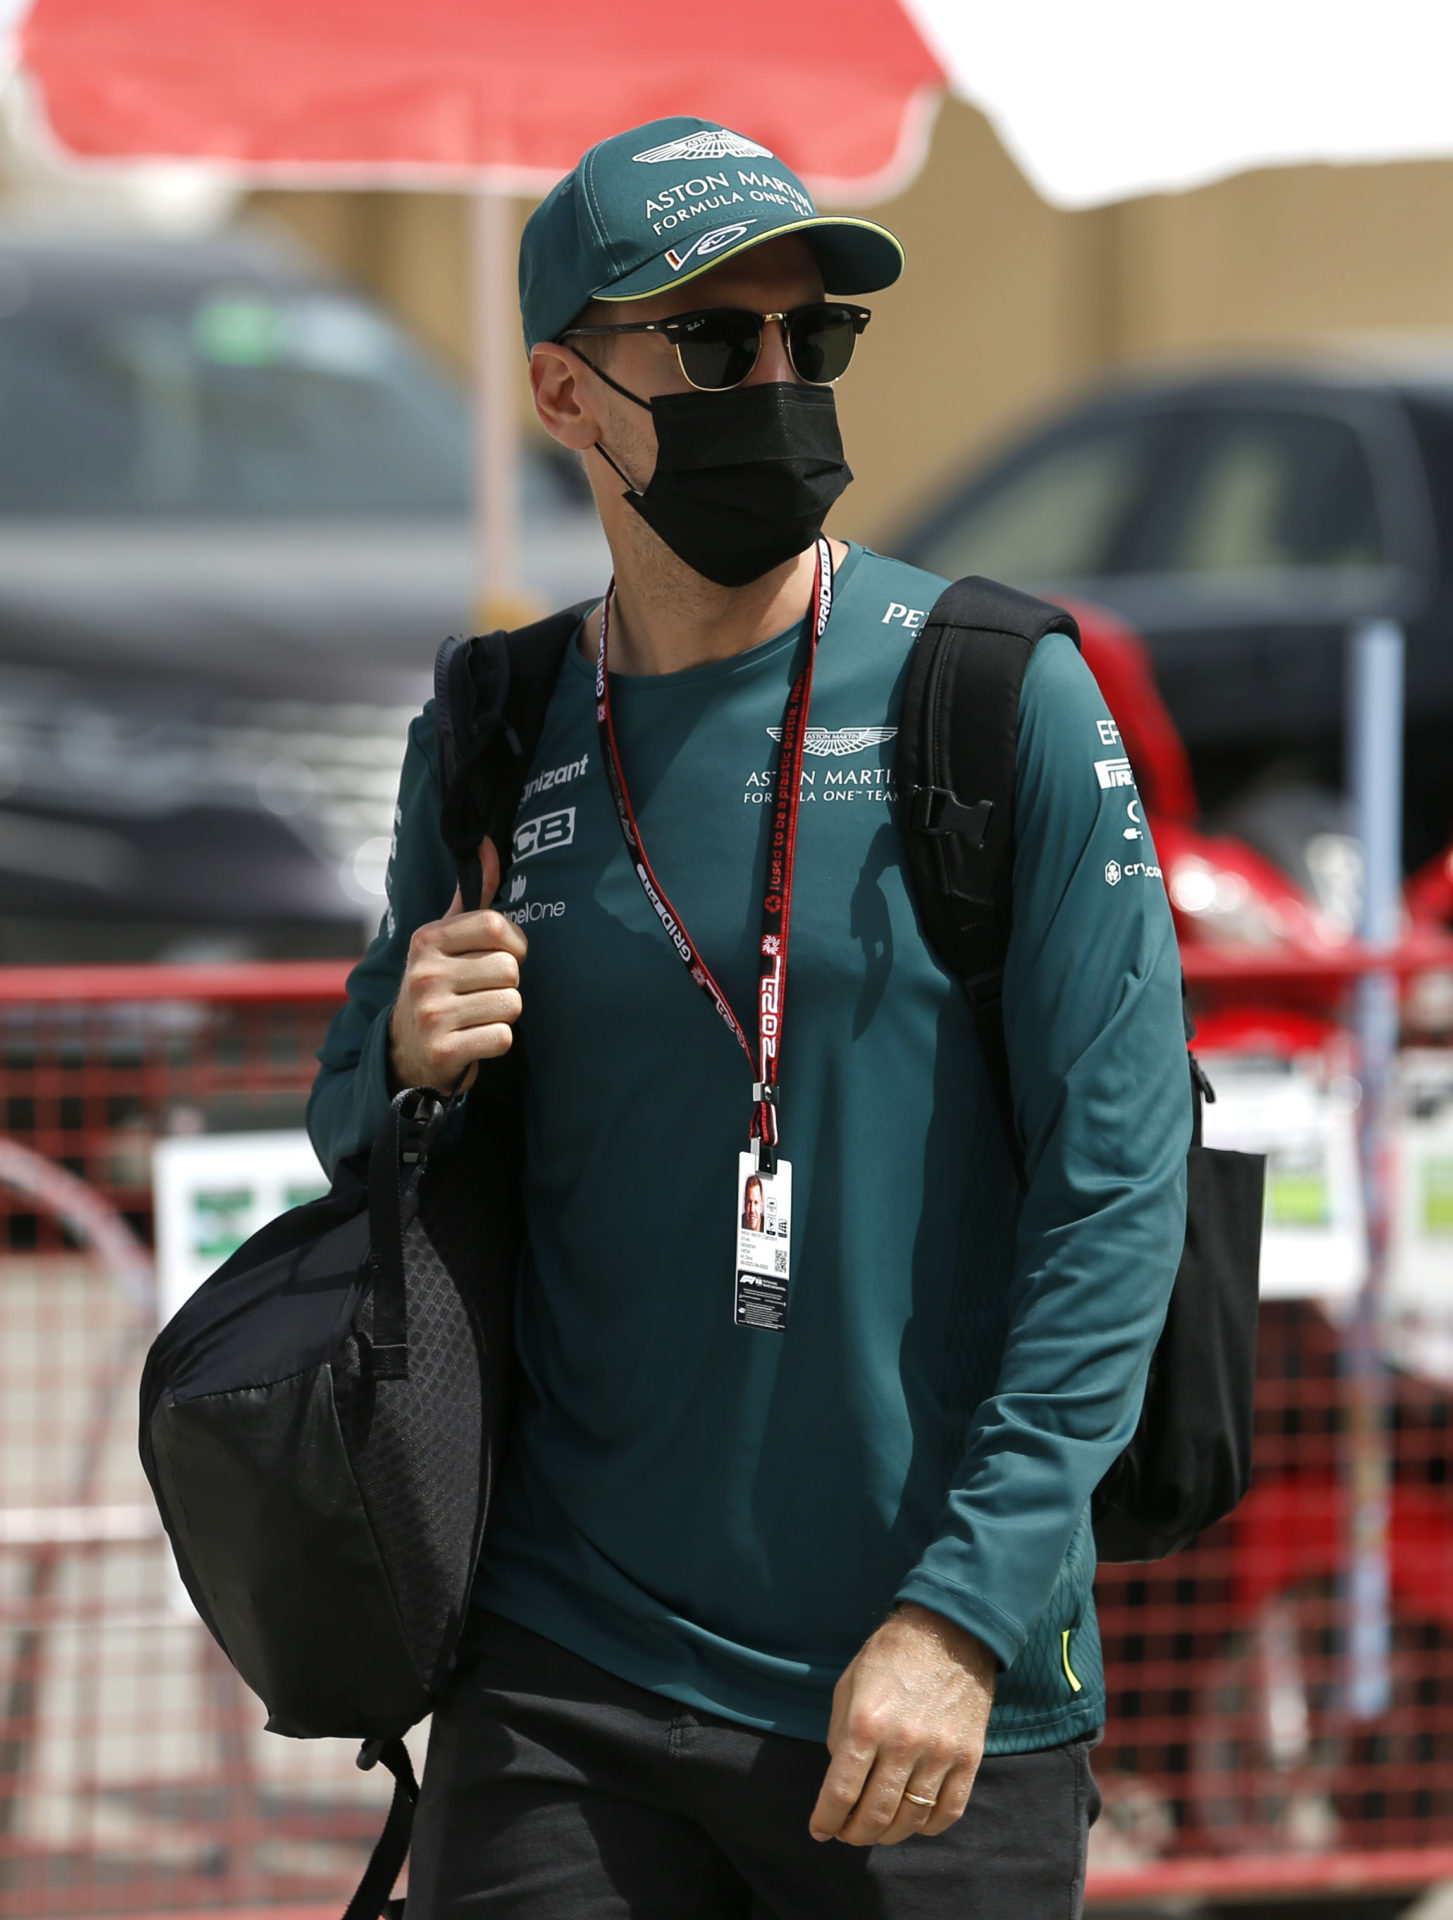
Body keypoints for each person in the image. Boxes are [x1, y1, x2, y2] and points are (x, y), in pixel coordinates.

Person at [308, 114, 1190, 1918]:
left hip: (921, 1689)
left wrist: (963, 1612)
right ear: (566, 394)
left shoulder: (994, 693)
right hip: (557, 1664)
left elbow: (1121, 1189)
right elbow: (350, 1146)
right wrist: (402, 1063)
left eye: (814, 340)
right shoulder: (493, 722)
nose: (776, 382)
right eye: (714, 345)